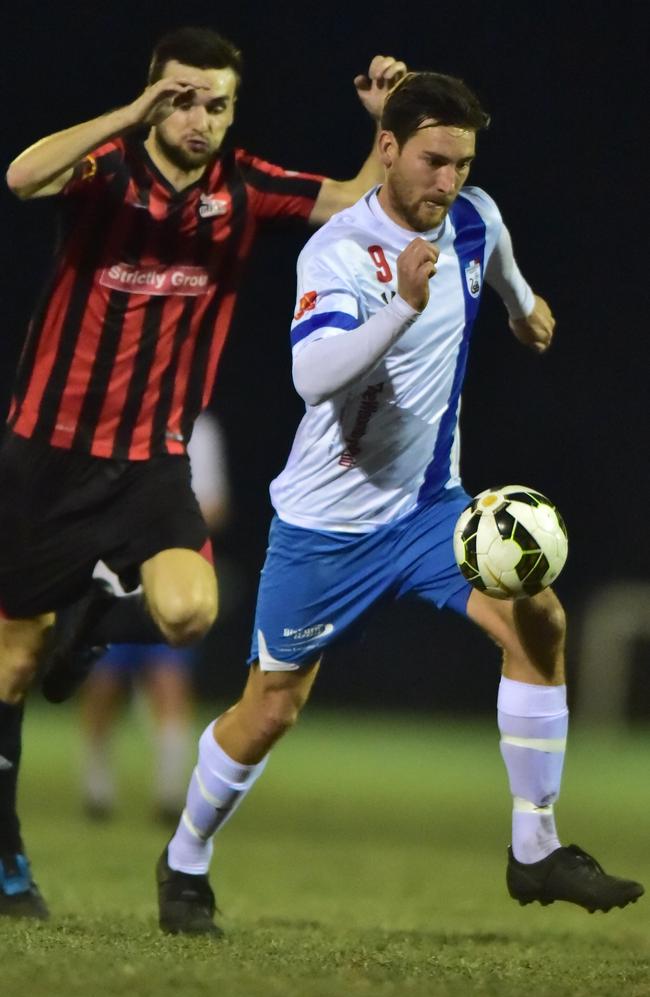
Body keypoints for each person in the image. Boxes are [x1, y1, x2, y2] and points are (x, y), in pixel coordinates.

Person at [155, 71, 644, 936]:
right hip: (323, 530)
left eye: (461, 162)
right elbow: (312, 377)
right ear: (388, 148)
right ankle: (185, 858)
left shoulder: (474, 217)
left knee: (541, 620)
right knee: (270, 710)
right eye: (432, 160)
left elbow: (511, 285)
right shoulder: (339, 251)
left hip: (429, 513)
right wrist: (402, 308)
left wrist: (527, 311)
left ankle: (535, 848)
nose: (447, 180)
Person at [0, 25, 407, 919]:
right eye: (181, 99)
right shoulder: (104, 167)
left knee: (191, 613)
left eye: (216, 103)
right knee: (12, 668)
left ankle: (97, 612)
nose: (200, 118)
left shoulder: (244, 187)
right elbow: (21, 178)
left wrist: (386, 132)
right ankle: (7, 860)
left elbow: (350, 201)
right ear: (155, 97)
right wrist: (127, 116)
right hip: (46, 455)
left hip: (152, 462)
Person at [81, 411, 230, 823]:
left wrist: (168, 525)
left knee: (170, 678)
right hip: (112, 574)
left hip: (172, 574)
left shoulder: (199, 429)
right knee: (104, 682)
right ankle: (98, 786)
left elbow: (215, 504)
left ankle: (168, 794)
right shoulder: (113, 420)